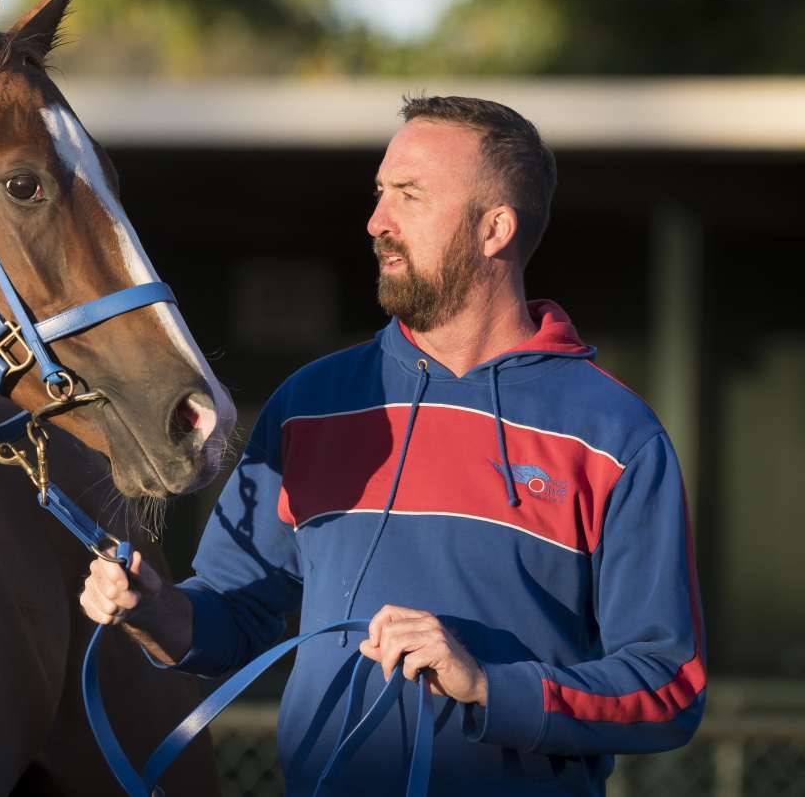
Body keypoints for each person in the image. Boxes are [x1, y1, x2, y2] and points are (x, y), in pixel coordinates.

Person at [80, 96, 706, 795]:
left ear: (494, 228)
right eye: (380, 194)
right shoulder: (311, 404)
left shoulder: (616, 436)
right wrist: (152, 608)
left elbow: (668, 689)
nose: (377, 222)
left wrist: (488, 688)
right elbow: (235, 611)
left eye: (409, 195)